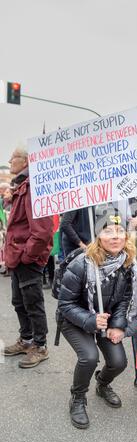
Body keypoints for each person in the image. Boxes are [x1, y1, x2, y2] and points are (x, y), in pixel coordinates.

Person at [58, 211, 137, 429]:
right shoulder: (82, 263)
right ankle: (77, 398)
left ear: (126, 236)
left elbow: (124, 299)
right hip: (76, 319)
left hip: (107, 319)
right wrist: (90, 320)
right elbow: (64, 304)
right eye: (107, 231)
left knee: (119, 362)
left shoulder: (128, 264)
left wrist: (119, 326)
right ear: (98, 236)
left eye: (119, 231)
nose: (115, 236)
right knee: (89, 357)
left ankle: (102, 384)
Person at [3, 147, 53, 368]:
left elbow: (42, 231)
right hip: (18, 255)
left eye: (12, 158)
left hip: (26, 258)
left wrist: (27, 255)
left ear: (24, 161)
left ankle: (40, 346)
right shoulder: (23, 185)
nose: (9, 161)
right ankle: (26, 340)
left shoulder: (33, 187)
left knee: (32, 303)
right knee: (19, 301)